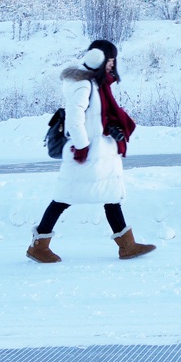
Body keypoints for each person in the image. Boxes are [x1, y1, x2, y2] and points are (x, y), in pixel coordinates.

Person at [27, 39, 156, 263]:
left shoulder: (97, 84)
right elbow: (75, 119)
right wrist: (82, 146)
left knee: (111, 195)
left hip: (99, 152)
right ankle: (39, 247)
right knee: (63, 198)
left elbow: (96, 117)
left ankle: (127, 246)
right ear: (97, 58)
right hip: (86, 153)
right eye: (110, 59)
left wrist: (110, 128)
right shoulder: (84, 85)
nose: (112, 64)